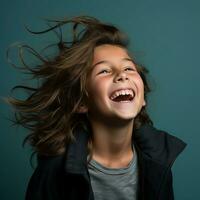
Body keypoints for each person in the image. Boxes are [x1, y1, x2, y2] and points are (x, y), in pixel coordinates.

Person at [7, 16, 186, 200]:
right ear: (81, 102)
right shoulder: (53, 173)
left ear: (142, 99)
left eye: (129, 69)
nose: (122, 76)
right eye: (104, 71)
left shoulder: (158, 165)